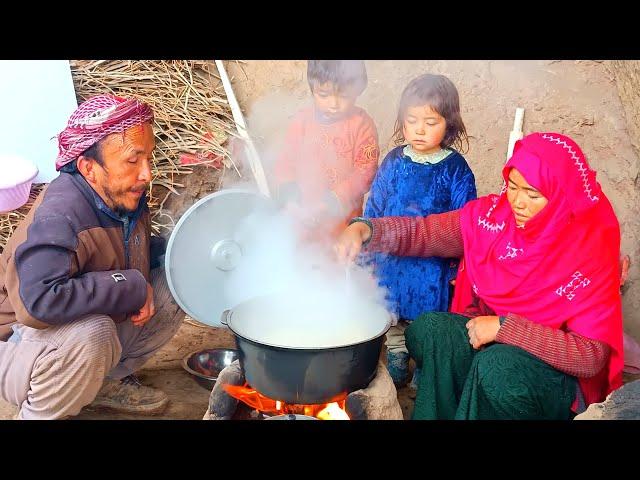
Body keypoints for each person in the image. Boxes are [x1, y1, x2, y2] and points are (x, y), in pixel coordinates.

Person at [336, 132, 623, 419]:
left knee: (497, 367)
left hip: (551, 379)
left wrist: (505, 328)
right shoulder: (492, 219)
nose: (518, 202)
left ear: (561, 197)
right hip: (494, 346)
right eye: (512, 186)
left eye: (533, 194)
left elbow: (590, 357)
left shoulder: (588, 250)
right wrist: (366, 230)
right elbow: (424, 232)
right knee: (432, 331)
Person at [0, 94, 184, 419]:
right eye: (132, 160)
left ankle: (104, 383)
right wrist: (131, 286)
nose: (147, 174)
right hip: (15, 346)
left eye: (149, 159)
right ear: (89, 167)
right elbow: (38, 302)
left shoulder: (122, 196)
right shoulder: (60, 216)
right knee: (93, 332)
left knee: (181, 278)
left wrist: (183, 246)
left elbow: (124, 252)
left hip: (54, 339)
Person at [361, 73, 476, 386]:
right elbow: (375, 206)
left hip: (432, 265)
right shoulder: (394, 161)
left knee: (427, 315)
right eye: (412, 121)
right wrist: (367, 241)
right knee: (392, 310)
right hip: (392, 259)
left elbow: (466, 222)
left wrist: (458, 267)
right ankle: (397, 356)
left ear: (449, 124)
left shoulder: (455, 169)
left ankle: (425, 364)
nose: (420, 130)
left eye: (430, 121)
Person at [274, 60, 380, 241]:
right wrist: (290, 198)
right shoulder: (302, 120)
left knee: (336, 261)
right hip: (302, 212)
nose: (334, 104)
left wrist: (332, 200)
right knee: (301, 257)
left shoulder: (361, 124)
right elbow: (286, 161)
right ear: (312, 88)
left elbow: (365, 172)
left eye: (344, 96)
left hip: (342, 218)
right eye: (324, 95)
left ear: (358, 90)